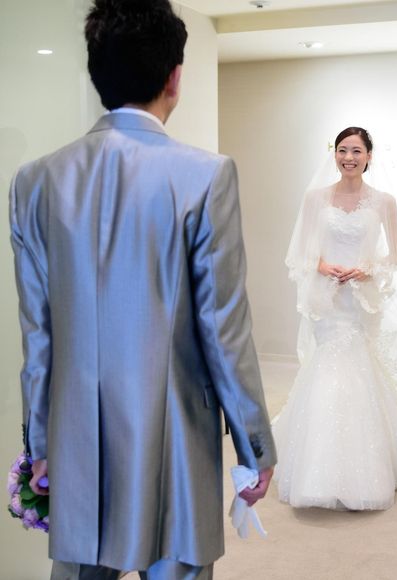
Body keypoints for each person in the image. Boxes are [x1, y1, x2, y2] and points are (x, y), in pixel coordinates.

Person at [9, 0, 276, 578]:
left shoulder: (33, 182)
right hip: (175, 437)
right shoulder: (205, 175)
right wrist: (254, 445)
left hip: (76, 438)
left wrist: (40, 444)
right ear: (174, 77)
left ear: (96, 73)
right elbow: (224, 328)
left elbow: (39, 335)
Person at [272, 127, 397, 511]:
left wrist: (368, 269)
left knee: (358, 368)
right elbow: (300, 252)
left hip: (359, 300)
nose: (349, 157)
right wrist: (322, 265)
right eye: (342, 150)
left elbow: (395, 257)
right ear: (334, 154)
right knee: (327, 367)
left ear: (369, 156)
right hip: (327, 298)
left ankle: (366, 465)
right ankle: (317, 466)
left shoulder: (384, 202)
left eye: (356, 151)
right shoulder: (315, 198)